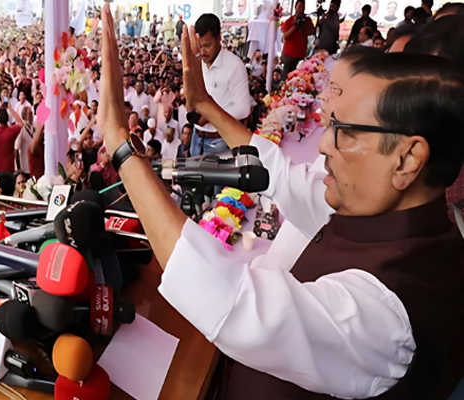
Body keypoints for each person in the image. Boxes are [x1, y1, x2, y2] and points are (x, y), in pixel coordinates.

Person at [98, 4, 464, 397]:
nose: (323, 144)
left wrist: (121, 145)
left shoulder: (392, 311)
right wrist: (205, 104)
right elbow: (283, 175)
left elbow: (239, 305)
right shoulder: (382, 210)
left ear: (408, 159)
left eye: (344, 129)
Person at [191, 14, 252, 156]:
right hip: (196, 137)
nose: (202, 52)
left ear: (219, 38)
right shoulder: (197, 62)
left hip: (219, 139)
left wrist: (211, 115)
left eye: (207, 46)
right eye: (200, 46)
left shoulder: (234, 65)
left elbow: (243, 109)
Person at [281, 0, 316, 79]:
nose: (301, 9)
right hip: (289, 55)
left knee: (297, 78)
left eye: (303, 7)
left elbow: (312, 32)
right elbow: (285, 36)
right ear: (295, 7)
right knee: (286, 77)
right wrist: (295, 26)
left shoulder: (307, 20)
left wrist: (303, 25)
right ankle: (284, 90)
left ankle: (294, 91)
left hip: (300, 56)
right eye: (300, 6)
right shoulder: (290, 20)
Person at [0, 104, 24, 174]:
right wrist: (11, 109)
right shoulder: (11, 131)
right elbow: (20, 123)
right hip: (9, 168)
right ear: (7, 119)